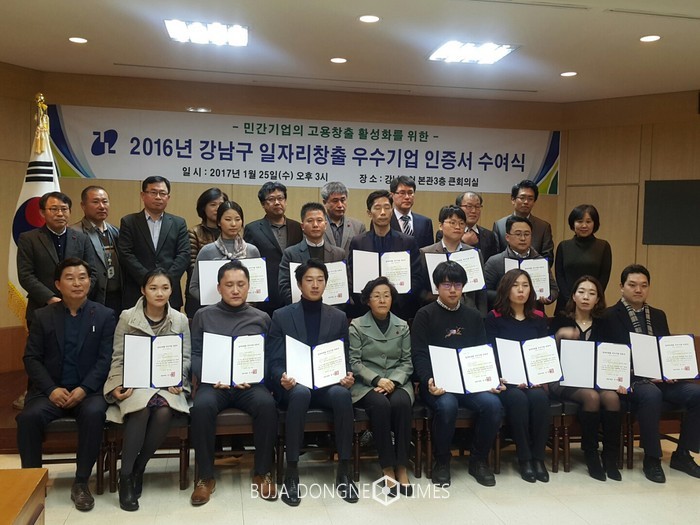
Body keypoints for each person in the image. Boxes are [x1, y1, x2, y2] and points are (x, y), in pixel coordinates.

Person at [16, 257, 115, 512]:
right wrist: (51, 389)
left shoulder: (104, 315)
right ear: (58, 284)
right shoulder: (42, 316)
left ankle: (81, 482)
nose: (77, 283)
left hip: (87, 391)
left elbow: (106, 359)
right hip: (50, 392)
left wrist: (84, 389)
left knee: (94, 413)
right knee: (28, 418)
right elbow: (31, 358)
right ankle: (32, 482)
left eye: (82, 277)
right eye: (70, 278)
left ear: (90, 282)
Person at [266, 259, 358, 506]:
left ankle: (344, 471)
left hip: (327, 384)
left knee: (342, 395)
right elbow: (274, 360)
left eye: (320, 280)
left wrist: (347, 375)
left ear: (326, 283)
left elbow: (345, 356)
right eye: (309, 280)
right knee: (300, 394)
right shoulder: (282, 316)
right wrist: (282, 377)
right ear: (299, 284)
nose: (315, 285)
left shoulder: (338, 317)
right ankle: (292, 472)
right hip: (294, 384)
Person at [598, 264, 700, 483]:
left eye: (644, 285)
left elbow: (667, 349)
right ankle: (652, 459)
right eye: (632, 285)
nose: (638, 290)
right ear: (621, 287)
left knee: (696, 393)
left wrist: (671, 370)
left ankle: (683, 454)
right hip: (630, 380)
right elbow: (606, 356)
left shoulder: (658, 315)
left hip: (662, 379)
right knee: (651, 394)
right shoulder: (608, 316)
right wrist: (633, 374)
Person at [189, 260, 278, 505]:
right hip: (214, 384)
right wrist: (209, 375)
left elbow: (269, 356)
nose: (235, 290)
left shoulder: (261, 318)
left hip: (249, 385)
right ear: (219, 288)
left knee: (267, 405)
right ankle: (205, 477)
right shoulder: (203, 315)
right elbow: (195, 353)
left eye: (241, 284)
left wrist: (255, 375)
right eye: (229, 285)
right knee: (201, 407)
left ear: (249, 286)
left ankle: (262, 472)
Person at [103, 269, 191, 511]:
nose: (159, 293)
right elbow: (118, 356)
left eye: (165, 288)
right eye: (153, 288)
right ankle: (126, 476)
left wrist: (178, 378)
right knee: (140, 410)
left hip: (165, 385)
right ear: (143, 290)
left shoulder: (180, 319)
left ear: (172, 290)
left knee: (164, 411)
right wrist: (117, 384)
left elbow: (184, 357)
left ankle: (137, 468)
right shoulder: (127, 317)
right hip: (136, 383)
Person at [411, 261, 503, 487]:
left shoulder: (473, 315)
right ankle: (442, 461)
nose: (453, 290)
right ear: (437, 287)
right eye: (446, 285)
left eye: (458, 285)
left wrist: (490, 378)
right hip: (437, 383)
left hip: (470, 383)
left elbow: (481, 352)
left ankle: (478, 460)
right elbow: (419, 354)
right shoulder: (425, 315)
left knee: (493, 404)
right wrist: (428, 380)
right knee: (447, 405)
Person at [549, 275, 623, 481]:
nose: (585, 297)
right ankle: (590, 453)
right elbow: (545, 354)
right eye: (581, 292)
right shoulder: (561, 320)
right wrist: (558, 336)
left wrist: (618, 380)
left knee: (612, 398)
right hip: (564, 379)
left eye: (591, 293)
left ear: (598, 299)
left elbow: (613, 354)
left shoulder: (604, 323)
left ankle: (609, 456)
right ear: (573, 296)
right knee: (591, 397)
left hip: (595, 378)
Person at [484, 269, 551, 483]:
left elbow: (543, 353)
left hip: (533, 380)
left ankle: (538, 458)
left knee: (540, 399)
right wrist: (501, 377)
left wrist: (538, 376)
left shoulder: (538, 317)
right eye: (515, 285)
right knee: (517, 399)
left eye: (525, 285)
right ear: (506, 289)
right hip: (507, 382)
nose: (521, 290)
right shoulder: (494, 318)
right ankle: (524, 458)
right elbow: (491, 354)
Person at [349, 277, 414, 496]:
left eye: (386, 295)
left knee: (402, 403)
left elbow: (407, 362)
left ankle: (402, 466)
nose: (382, 300)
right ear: (368, 300)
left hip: (397, 381)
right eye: (376, 296)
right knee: (380, 405)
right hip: (367, 384)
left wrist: (393, 381)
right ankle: (387, 467)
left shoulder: (402, 325)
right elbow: (354, 362)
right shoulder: (357, 325)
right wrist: (377, 380)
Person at [17, 191, 97, 327]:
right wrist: (50, 298)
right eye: (54, 209)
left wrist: (77, 296)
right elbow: (26, 275)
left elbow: (92, 272)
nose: (60, 214)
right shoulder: (29, 239)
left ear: (70, 211)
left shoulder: (82, 239)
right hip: (42, 308)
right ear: (42, 212)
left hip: (77, 308)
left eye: (64, 209)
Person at [348, 190, 424, 321]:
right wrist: (367, 302)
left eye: (387, 207)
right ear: (369, 213)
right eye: (377, 208)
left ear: (392, 211)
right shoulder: (358, 242)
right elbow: (352, 278)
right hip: (365, 310)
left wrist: (393, 301)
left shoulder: (407, 242)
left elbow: (416, 277)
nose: (383, 212)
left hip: (400, 310)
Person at [119, 176, 190, 311]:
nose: (158, 197)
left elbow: (184, 254)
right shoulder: (129, 222)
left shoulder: (178, 223)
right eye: (153, 192)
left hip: (170, 293)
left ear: (168, 197)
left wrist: (165, 282)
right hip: (137, 291)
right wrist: (148, 281)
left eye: (162, 193)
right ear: (143, 195)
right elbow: (125, 254)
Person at [243, 181, 303, 315]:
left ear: (285, 201)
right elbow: (249, 263)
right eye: (271, 199)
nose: (277, 202)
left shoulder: (297, 227)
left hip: (293, 292)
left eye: (280, 198)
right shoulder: (252, 229)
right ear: (263, 204)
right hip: (266, 295)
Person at [421, 205, 487, 315]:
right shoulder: (426, 252)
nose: (457, 227)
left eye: (461, 223)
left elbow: (481, 292)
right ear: (441, 226)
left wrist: (482, 315)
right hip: (437, 311)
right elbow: (421, 290)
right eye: (452, 223)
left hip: (469, 312)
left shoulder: (474, 253)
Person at [189, 200, 260, 301]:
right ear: (219, 222)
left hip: (245, 308)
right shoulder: (207, 251)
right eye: (228, 219)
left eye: (237, 219)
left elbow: (258, 286)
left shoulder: (252, 250)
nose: (233, 224)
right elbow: (193, 287)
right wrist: (211, 302)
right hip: (215, 308)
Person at [484, 216, 558, 309]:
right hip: (504, 312)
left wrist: (549, 297)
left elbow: (554, 289)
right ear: (507, 237)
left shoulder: (540, 261)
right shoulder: (495, 261)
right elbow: (485, 292)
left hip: (534, 312)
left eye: (527, 234)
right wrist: (506, 295)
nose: (523, 238)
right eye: (518, 234)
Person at [279, 202, 345, 305]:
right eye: (310, 221)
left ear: (325, 225)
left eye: (319, 220)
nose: (315, 225)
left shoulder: (338, 254)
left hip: (331, 310)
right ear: (302, 226)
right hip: (299, 309)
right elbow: (284, 287)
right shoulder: (290, 253)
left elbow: (344, 287)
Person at [70, 185, 122, 313]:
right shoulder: (74, 233)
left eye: (105, 201)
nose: (102, 206)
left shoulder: (115, 231)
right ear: (83, 205)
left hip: (117, 297)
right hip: (90, 298)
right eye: (95, 202)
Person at [554, 204, 612, 314]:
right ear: (573, 223)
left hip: (592, 304)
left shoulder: (603, 246)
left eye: (588, 222)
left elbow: (604, 277)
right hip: (566, 303)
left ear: (595, 223)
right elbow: (560, 276)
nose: (584, 225)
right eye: (579, 221)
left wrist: (591, 298)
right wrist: (571, 299)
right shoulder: (563, 246)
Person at [185, 187, 228, 318]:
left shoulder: (231, 233)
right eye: (213, 204)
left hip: (228, 291)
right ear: (203, 208)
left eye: (221, 205)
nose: (217, 208)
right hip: (199, 294)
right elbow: (192, 265)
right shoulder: (194, 232)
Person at [492, 180, 554, 265]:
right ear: (513, 200)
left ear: (534, 202)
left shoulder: (543, 227)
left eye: (530, 199)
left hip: (534, 271)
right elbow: (495, 255)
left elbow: (548, 257)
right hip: (506, 271)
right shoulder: (500, 225)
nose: (526, 202)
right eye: (522, 198)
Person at [435, 192, 498, 263]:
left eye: (477, 206)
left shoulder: (489, 235)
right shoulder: (443, 233)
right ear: (458, 207)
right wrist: (463, 242)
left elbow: (492, 263)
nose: (473, 211)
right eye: (469, 206)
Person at [321, 181, 367, 257]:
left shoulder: (358, 227)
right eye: (335, 201)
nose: (340, 205)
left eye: (343, 200)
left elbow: (362, 254)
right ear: (325, 202)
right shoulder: (317, 226)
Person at [389, 175, 435, 249]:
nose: (407, 197)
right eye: (402, 193)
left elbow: (428, 251)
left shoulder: (425, 222)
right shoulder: (384, 221)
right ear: (392, 195)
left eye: (410, 193)